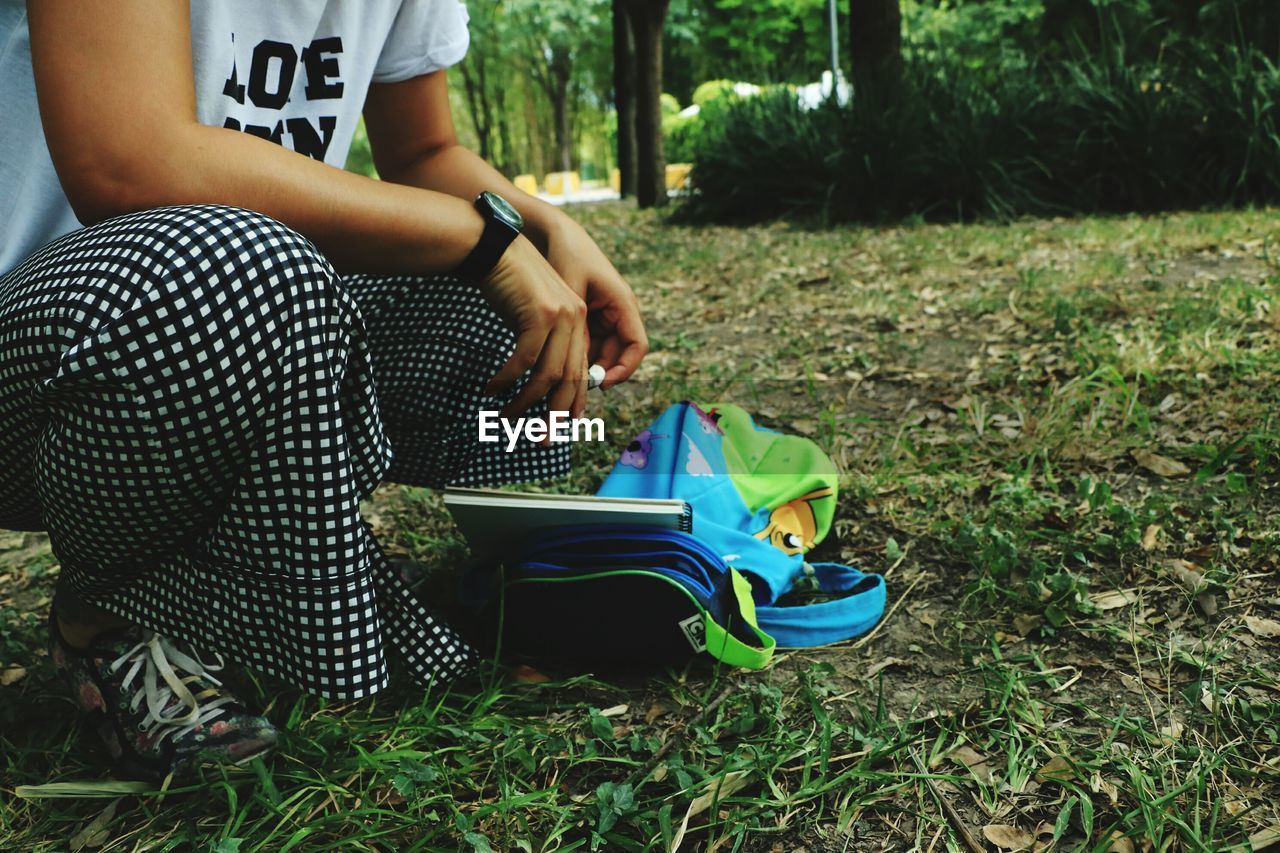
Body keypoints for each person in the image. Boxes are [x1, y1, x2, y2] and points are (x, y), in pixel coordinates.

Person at [0, 0, 647, 781]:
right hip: (40, 359)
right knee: (236, 269)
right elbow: (131, 161)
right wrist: (486, 240)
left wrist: (543, 230)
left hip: (247, 296)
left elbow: (425, 149)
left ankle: (258, 571)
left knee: (514, 314)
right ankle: (105, 619)